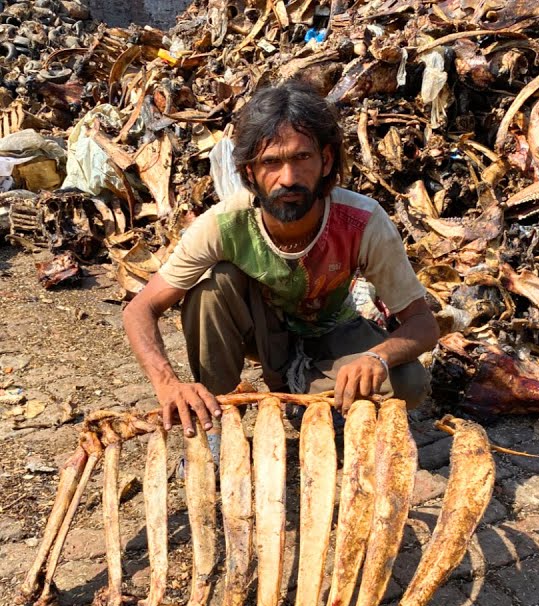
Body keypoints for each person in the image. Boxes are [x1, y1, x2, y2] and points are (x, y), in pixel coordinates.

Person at [123, 80, 438, 438]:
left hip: (333, 331)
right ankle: (217, 418)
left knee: (408, 381)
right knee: (210, 289)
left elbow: (423, 324)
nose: (288, 178)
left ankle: (304, 390)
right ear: (248, 173)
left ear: (326, 160)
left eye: (302, 157)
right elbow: (139, 309)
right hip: (264, 336)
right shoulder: (224, 225)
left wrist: (378, 356)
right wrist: (168, 384)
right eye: (271, 162)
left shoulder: (362, 221)